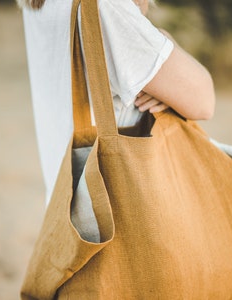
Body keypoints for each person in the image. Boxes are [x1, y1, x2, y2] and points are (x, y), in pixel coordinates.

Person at [19, 0, 215, 206]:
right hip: (121, 216)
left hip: (68, 204)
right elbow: (204, 101)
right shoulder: (107, 6)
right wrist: (164, 39)